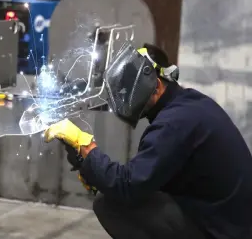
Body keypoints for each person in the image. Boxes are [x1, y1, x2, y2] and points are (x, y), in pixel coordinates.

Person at [44, 43, 252, 239]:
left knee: (108, 205)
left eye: (129, 88)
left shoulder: (174, 123)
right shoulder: (188, 105)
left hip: (221, 232)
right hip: (225, 222)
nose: (124, 96)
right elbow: (150, 179)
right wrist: (92, 169)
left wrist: (85, 145)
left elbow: (128, 186)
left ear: (156, 83)